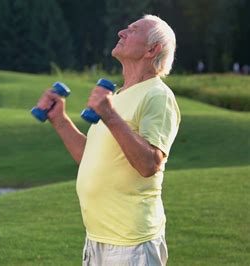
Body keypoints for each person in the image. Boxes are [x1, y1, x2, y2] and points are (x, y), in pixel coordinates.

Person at [35, 15, 180, 265]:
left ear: (152, 49)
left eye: (133, 30)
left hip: (131, 242)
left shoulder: (157, 95)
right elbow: (88, 157)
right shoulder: (119, 95)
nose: (122, 32)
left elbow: (149, 164)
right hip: (97, 239)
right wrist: (59, 119)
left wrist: (110, 115)